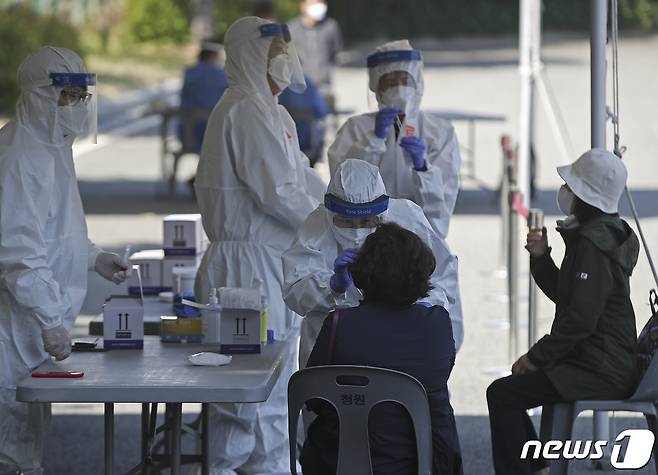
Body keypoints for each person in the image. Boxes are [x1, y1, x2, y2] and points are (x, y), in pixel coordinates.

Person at [193, 17, 326, 474]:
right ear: (252, 55)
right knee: (238, 404)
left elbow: (304, 180)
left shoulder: (273, 112)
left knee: (270, 400)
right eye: (276, 51)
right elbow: (278, 193)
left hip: (268, 268)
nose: (286, 59)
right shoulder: (245, 109)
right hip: (244, 275)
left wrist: (344, 205)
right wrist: (331, 225)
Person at [0, 46, 130, 475]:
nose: (73, 107)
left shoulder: (51, 145)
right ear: (40, 95)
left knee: (28, 437)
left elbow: (57, 232)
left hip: (31, 322)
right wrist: (49, 319)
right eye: (66, 96)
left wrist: (93, 257)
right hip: (13, 325)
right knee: (11, 444)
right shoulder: (20, 155)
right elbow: (18, 252)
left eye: (79, 97)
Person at [486, 149, 640, 475]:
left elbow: (579, 319)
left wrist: (536, 357)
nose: (564, 192)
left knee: (502, 394)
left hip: (600, 368)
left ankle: (533, 469)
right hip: (599, 360)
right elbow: (569, 298)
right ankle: (538, 467)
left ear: (584, 196)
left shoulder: (592, 245)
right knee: (506, 393)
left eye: (571, 186)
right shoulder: (599, 234)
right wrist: (542, 258)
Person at [301, 222, 463, 475]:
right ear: (421, 274)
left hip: (342, 460)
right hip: (424, 460)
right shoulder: (437, 324)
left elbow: (314, 397)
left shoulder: (340, 324)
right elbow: (439, 378)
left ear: (362, 272)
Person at [282, 159, 463, 373]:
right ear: (330, 213)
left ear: (383, 213)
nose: (357, 233)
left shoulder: (407, 218)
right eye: (346, 222)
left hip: (401, 340)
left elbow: (442, 273)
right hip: (332, 347)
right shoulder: (316, 225)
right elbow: (295, 287)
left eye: (368, 221)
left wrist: (424, 307)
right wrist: (331, 288)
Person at [328, 40, 461, 239]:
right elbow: (344, 184)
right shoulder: (355, 128)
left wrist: (423, 169)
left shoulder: (440, 131)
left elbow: (441, 203)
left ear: (418, 84)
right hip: (367, 238)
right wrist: (373, 141)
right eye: (389, 82)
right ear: (376, 88)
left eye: (404, 81)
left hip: (419, 238)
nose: (398, 89)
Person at [288, 0, 343, 106]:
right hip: (300, 86)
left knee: (326, 116)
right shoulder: (292, 28)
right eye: (312, 3)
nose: (318, 6)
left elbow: (335, 51)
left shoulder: (331, 26)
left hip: (324, 85)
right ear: (303, 6)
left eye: (320, 2)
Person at [179, 41, 228, 153]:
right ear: (213, 56)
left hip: (188, 133)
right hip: (212, 133)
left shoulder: (190, 72)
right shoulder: (220, 74)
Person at [278, 74, 329, 167]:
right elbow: (321, 111)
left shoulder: (278, 85)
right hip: (308, 143)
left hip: (285, 143)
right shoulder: (308, 83)